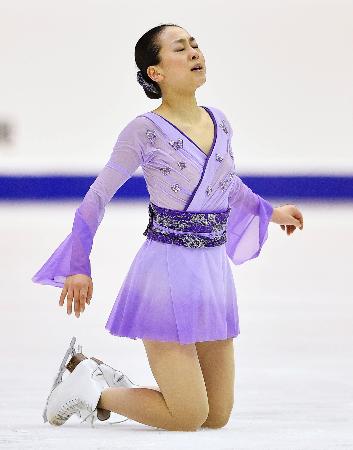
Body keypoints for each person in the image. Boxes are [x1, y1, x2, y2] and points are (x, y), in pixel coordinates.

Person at [32, 23, 304, 432]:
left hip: (212, 274)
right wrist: (78, 264)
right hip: (166, 275)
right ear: (155, 72)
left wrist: (270, 212)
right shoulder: (143, 130)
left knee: (216, 416)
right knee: (188, 416)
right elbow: (96, 197)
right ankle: (90, 390)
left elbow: (226, 183)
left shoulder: (220, 121)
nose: (195, 52)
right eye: (181, 48)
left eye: (195, 44)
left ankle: (91, 371)